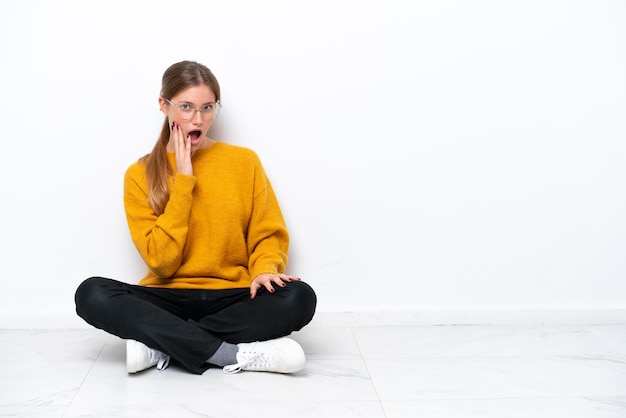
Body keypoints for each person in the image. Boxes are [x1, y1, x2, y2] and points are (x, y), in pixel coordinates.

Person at [75, 60, 317, 375]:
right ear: (164, 105)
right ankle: (230, 354)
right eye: (186, 107)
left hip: (233, 294)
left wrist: (264, 270)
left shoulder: (243, 162)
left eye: (207, 107)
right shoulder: (140, 173)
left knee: (299, 297)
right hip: (165, 296)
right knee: (91, 293)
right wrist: (184, 181)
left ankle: (160, 343)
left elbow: (267, 232)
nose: (198, 118)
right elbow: (161, 262)